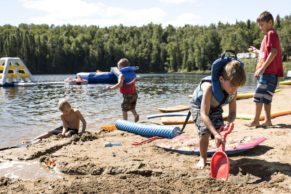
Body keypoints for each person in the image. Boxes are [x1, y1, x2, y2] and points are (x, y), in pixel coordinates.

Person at [190, 56, 246, 169]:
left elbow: (233, 112)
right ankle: (203, 158)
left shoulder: (233, 91)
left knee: (222, 132)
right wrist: (214, 133)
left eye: (237, 87)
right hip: (199, 108)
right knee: (205, 132)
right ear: (221, 79)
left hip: (215, 107)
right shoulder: (209, 88)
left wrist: (228, 123)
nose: (234, 89)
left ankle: (221, 154)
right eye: (232, 86)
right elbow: (204, 114)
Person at [246, 11, 284, 127]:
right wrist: (257, 51)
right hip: (270, 74)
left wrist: (262, 68)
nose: (260, 27)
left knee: (258, 95)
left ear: (270, 22)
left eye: (262, 25)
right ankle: (267, 120)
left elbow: (274, 52)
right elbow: (266, 53)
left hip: (267, 73)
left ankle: (256, 120)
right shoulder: (268, 36)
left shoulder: (271, 34)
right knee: (266, 98)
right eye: (259, 25)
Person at [106, 58, 139, 122]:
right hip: (134, 94)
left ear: (120, 67)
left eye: (118, 67)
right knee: (131, 107)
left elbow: (119, 85)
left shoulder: (121, 75)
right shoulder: (132, 73)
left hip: (127, 95)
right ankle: (136, 115)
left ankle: (125, 122)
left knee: (124, 109)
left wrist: (111, 88)